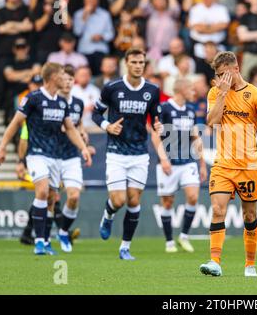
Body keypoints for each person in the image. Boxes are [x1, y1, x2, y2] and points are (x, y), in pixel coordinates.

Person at [0, 62, 91, 255]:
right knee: (43, 191)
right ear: (53, 77)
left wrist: (83, 148)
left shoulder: (62, 102)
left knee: (51, 199)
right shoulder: (33, 98)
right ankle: (39, 242)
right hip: (37, 154)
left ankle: (45, 241)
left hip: (55, 156)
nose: (65, 77)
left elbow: (71, 128)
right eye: (62, 74)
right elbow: (15, 123)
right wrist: (2, 147)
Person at [199, 51, 257, 277]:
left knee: (250, 216)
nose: (220, 79)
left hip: (249, 165)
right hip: (223, 164)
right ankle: (215, 262)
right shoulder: (215, 92)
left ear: (235, 69)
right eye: (217, 75)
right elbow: (211, 122)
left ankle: (250, 264)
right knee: (217, 209)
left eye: (223, 74)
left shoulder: (255, 94)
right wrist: (222, 94)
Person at [92, 47, 162, 260]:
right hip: (116, 152)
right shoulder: (112, 87)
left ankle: (125, 247)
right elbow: (95, 113)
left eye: (141, 62)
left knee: (133, 202)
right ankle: (108, 215)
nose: (138, 66)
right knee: (119, 200)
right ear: (126, 64)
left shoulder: (152, 89)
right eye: (134, 62)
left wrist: (158, 126)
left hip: (140, 152)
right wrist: (107, 126)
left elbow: (155, 117)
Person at [152, 78, 207, 253]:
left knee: (192, 197)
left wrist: (203, 164)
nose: (194, 92)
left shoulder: (191, 110)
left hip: (188, 161)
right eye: (191, 88)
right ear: (181, 89)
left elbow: (196, 138)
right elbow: (155, 135)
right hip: (168, 162)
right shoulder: (164, 108)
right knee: (168, 202)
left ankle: (184, 236)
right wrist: (163, 159)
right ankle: (169, 242)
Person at [55, 65, 89, 253]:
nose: (68, 82)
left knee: (74, 196)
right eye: (64, 79)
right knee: (49, 199)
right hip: (50, 154)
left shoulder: (78, 103)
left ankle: (63, 231)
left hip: (70, 156)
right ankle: (40, 239)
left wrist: (83, 135)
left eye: (70, 79)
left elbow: (79, 124)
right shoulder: (51, 101)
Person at [73, 0, 115, 76]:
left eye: (93, 0)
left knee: (101, 75)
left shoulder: (105, 14)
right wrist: (84, 16)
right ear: (84, 1)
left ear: (97, 1)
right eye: (88, 0)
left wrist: (101, 37)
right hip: (84, 51)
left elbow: (111, 34)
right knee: (84, 75)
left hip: (101, 50)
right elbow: (77, 32)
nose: (90, 2)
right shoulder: (78, 14)